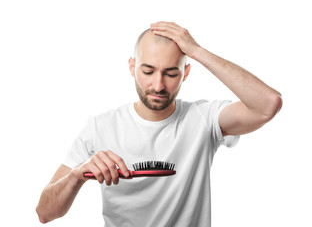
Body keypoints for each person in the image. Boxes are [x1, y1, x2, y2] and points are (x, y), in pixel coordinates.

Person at [36, 21, 282, 226]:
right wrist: (77, 175)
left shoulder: (204, 119)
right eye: (148, 71)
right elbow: (45, 213)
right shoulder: (100, 127)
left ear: (185, 73)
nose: (158, 85)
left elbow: (268, 104)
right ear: (132, 67)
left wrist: (196, 51)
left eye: (171, 73)